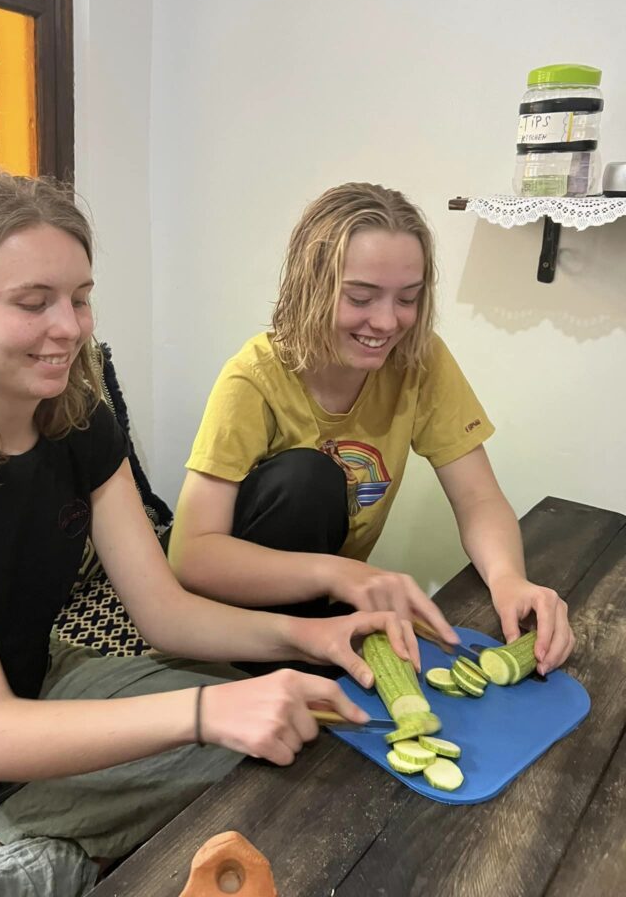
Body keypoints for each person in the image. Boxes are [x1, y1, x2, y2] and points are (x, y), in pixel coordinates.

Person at [0, 169, 420, 897]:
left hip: (38, 685)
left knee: (272, 746)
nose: (70, 327)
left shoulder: (79, 419)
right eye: (34, 303)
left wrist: (307, 640)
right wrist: (204, 708)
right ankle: (30, 841)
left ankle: (16, 837)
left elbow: (164, 612)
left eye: (81, 298)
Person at [169, 182, 575, 676]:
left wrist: (510, 579)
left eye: (408, 298)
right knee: (309, 477)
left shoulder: (419, 361)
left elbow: (479, 499)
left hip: (325, 601)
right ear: (310, 287)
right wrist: (345, 575)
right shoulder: (252, 379)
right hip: (235, 621)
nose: (386, 322)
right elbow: (192, 556)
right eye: (361, 297)